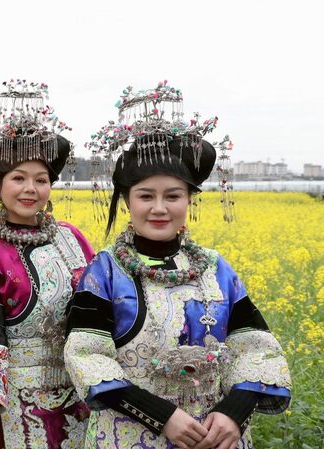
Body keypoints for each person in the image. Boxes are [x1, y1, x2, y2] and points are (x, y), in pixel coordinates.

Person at [63, 82, 291, 449]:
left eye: (173, 196)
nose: (159, 208)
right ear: (126, 201)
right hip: (131, 434)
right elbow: (87, 357)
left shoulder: (216, 268)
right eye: (145, 196)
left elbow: (257, 348)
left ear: (189, 201)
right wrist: (162, 417)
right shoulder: (104, 271)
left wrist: (234, 413)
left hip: (216, 438)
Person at [0, 81, 94, 449]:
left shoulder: (72, 237)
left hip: (80, 397)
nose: (31, 189)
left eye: (41, 180)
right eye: (18, 178)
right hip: (14, 404)